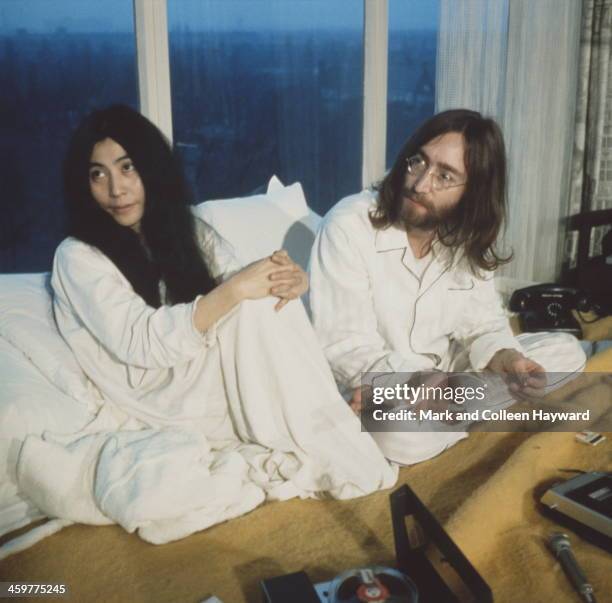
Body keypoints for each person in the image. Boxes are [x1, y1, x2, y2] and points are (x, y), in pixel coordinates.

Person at [50, 104, 397, 521]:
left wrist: (292, 281)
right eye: (97, 174)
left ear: (151, 169)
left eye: (127, 168)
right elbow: (142, 344)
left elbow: (239, 278)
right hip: (157, 392)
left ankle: (342, 422)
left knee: (264, 302)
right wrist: (237, 291)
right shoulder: (77, 257)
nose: (116, 189)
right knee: (252, 308)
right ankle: (335, 429)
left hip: (205, 368)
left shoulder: (185, 228)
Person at [308, 109, 586, 464]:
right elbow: (345, 346)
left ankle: (459, 408)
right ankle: (477, 408)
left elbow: (483, 323)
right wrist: (416, 380)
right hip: (382, 381)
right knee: (399, 439)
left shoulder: (464, 233)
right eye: (418, 163)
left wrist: (507, 357)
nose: (420, 184)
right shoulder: (347, 225)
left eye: (444, 176)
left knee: (567, 350)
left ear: (473, 192)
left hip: (450, 374)